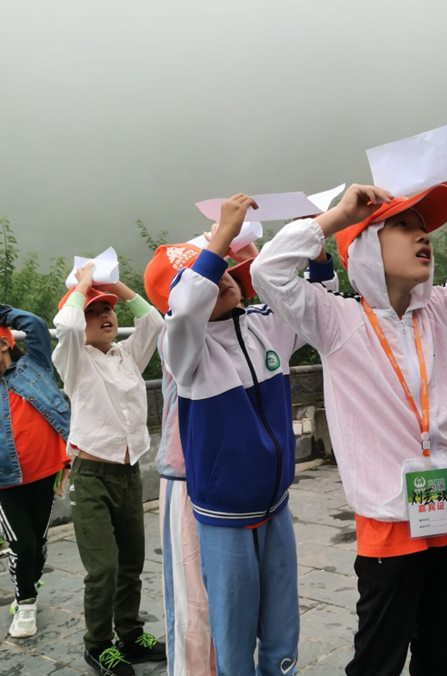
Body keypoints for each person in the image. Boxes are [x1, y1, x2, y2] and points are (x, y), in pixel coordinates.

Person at [251, 177, 447, 676]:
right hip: (389, 525)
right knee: (378, 661)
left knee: (439, 652)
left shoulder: (438, 311)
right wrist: (338, 218)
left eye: (424, 227)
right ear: (364, 247)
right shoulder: (337, 322)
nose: (422, 236)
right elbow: (268, 272)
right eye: (404, 226)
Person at [159, 195, 336, 676]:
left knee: (282, 629)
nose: (223, 279)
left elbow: (317, 307)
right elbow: (186, 305)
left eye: (226, 272)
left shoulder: (265, 326)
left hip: (276, 506)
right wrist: (220, 237)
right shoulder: (186, 356)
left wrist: (318, 253)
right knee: (233, 636)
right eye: (211, 277)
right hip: (224, 517)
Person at [52, 266, 167, 676]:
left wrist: (113, 282)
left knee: (131, 562)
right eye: (94, 311)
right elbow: (64, 328)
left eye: (109, 310)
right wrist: (83, 284)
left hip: (128, 472)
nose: (105, 316)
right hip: (91, 476)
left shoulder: (126, 355)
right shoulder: (74, 359)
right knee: (103, 568)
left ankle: (130, 635)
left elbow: (153, 321)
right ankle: (98, 645)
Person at [0, 305, 70, 638]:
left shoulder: (34, 366)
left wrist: (2, 313)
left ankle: (30, 584)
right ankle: (25, 602)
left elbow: (36, 326)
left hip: (44, 475)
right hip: (5, 483)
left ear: (4, 344)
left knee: (39, 544)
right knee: (22, 544)